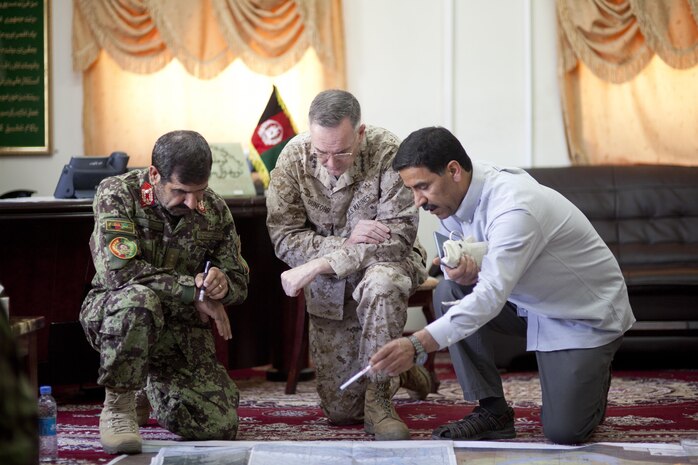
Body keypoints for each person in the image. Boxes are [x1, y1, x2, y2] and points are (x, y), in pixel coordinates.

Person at [370, 126, 636, 445]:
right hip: (526, 302)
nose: (417, 201)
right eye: (412, 189)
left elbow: (492, 295)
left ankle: (593, 377)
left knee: (565, 432)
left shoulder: (514, 206)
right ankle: (492, 411)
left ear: (453, 170)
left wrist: (417, 344)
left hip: (580, 315)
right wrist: (468, 271)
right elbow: (478, 257)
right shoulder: (453, 197)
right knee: (449, 292)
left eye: (422, 187)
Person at [266, 89, 435, 441]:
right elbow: (284, 237)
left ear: (359, 133)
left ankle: (380, 400)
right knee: (341, 413)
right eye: (321, 152)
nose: (330, 163)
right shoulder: (293, 158)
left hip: (391, 262)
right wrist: (345, 243)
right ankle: (401, 372)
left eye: (341, 152)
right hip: (332, 285)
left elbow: (396, 239)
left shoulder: (389, 152)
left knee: (382, 282)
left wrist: (320, 263)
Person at [80, 130, 250, 454]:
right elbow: (121, 272)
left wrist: (221, 284)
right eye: (181, 191)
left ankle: (150, 386)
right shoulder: (117, 193)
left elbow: (239, 279)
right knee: (139, 301)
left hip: (180, 330)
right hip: (118, 313)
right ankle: (118, 405)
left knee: (218, 425)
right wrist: (194, 292)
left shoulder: (213, 208)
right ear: (155, 174)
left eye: (199, 191)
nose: (192, 202)